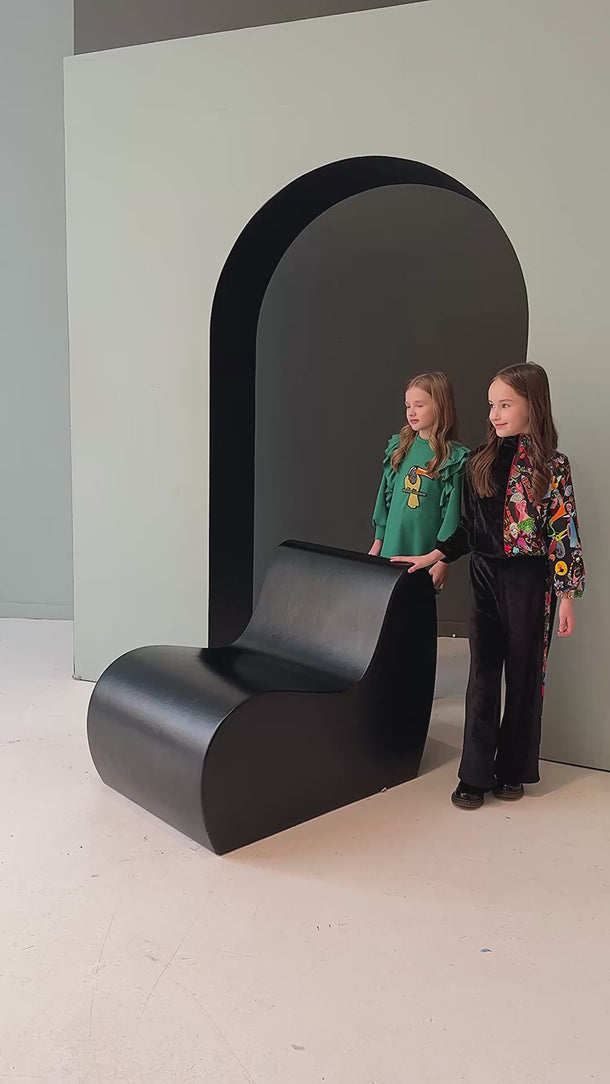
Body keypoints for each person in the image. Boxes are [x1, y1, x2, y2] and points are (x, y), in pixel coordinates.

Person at [394, 363, 585, 808]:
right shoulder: (478, 461)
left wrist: (566, 598)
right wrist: (436, 555)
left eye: (505, 405)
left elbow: (564, 534)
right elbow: (466, 529)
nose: (495, 414)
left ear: (532, 405)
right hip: (484, 577)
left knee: (524, 675)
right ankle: (474, 774)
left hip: (530, 581)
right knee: (481, 675)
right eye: (491, 405)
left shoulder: (553, 467)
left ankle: (513, 769)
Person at [369, 372, 469, 592]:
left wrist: (443, 560)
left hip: (424, 553)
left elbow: (451, 516)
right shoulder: (399, 447)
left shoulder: (453, 458)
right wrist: (378, 541)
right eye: (408, 406)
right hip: (391, 545)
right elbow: (385, 498)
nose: (411, 412)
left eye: (419, 405)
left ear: (440, 406)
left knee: (414, 604)